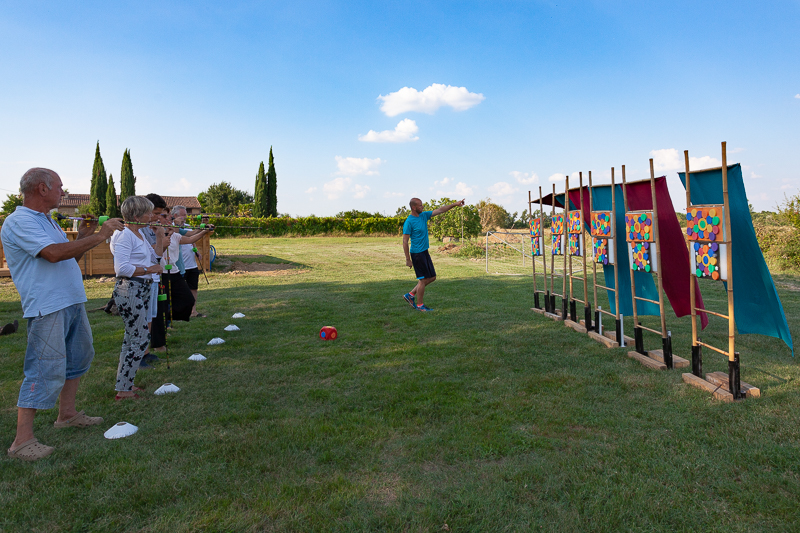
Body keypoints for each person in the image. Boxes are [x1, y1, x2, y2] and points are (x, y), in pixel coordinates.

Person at [1, 167, 124, 461]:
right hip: (47, 305)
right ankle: (22, 441)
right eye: (59, 186)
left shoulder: (47, 221)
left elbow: (66, 256)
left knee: (80, 357)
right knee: (43, 367)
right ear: (42, 189)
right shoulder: (18, 221)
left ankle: (67, 415)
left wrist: (84, 236)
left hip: (70, 300)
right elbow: (53, 254)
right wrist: (101, 235)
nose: (63, 192)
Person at [109, 196, 164, 400]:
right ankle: (124, 389)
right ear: (136, 215)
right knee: (140, 338)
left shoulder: (139, 233)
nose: (152, 216)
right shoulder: (124, 235)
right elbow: (121, 268)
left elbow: (155, 258)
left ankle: (125, 385)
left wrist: (159, 237)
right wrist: (149, 269)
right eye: (148, 212)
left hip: (142, 288)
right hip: (129, 289)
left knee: (131, 339)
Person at [402, 197, 465, 312]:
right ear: (414, 207)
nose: (422, 207)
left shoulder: (424, 215)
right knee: (422, 280)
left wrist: (455, 204)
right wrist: (408, 259)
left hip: (424, 251)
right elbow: (405, 241)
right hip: (417, 254)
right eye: (420, 206)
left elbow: (441, 210)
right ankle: (420, 305)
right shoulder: (409, 222)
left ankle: (410, 295)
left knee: (432, 277)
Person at [170, 206, 205, 317]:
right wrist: (174, 223)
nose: (185, 217)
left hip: (190, 263)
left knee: (193, 287)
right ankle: (179, 313)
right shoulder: (170, 228)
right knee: (180, 291)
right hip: (179, 264)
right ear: (175, 216)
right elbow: (184, 236)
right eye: (183, 215)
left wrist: (204, 229)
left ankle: (193, 311)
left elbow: (191, 236)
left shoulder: (186, 227)